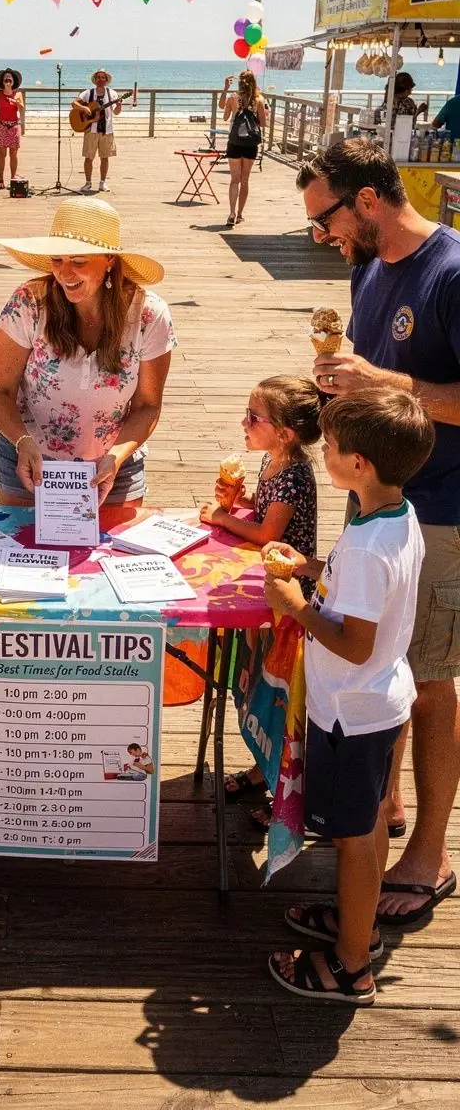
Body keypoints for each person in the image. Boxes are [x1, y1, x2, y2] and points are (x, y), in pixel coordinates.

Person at [298, 139, 460, 926]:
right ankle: (381, 800)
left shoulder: (451, 272)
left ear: (366, 201)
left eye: (324, 219)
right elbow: (375, 364)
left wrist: (383, 382)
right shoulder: (367, 267)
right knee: (382, 652)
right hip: (375, 497)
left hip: (445, 507)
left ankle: (429, 853)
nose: (322, 237)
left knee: (430, 677)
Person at [263, 389, 434, 1006]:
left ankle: (351, 963)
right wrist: (312, 569)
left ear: (358, 463)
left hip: (350, 713)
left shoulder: (365, 546)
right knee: (360, 829)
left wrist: (297, 607)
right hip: (376, 704)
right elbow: (361, 594)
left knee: (356, 838)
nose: (324, 454)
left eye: (332, 448)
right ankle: (352, 920)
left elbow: (356, 642)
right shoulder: (392, 515)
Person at [0, 197, 176, 507]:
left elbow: (147, 405)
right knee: (19, 551)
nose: (64, 273)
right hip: (29, 463)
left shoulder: (149, 314)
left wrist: (116, 456)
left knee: (112, 555)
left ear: (110, 261)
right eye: (57, 260)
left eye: (78, 261)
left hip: (114, 466)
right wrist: (23, 442)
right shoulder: (28, 302)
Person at [199, 375, 321, 817]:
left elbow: (269, 531)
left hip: (290, 602)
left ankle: (287, 787)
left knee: (280, 695)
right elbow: (267, 512)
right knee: (260, 687)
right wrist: (240, 498)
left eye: (254, 417)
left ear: (285, 433)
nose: (243, 423)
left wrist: (221, 517)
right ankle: (262, 769)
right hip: (269, 590)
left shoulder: (291, 476)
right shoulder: (274, 462)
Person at [221, 70, 266, 227]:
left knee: (235, 180)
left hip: (234, 143)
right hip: (250, 145)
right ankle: (240, 214)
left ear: (240, 82)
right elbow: (263, 124)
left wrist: (226, 89)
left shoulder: (233, 98)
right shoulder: (259, 99)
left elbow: (225, 116)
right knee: (245, 180)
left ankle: (231, 213)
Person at [74, 69, 122, 195]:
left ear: (106, 80)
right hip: (91, 130)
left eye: (103, 77)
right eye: (98, 77)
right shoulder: (87, 93)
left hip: (107, 130)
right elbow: (74, 104)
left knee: (105, 157)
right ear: (95, 80)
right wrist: (84, 108)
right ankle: (88, 183)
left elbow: (116, 112)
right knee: (88, 157)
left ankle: (102, 182)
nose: (101, 79)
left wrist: (119, 106)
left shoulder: (112, 94)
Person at [0, 68, 24, 189]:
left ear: (13, 81)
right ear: (2, 82)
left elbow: (22, 109)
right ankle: (1, 180)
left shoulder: (18, 94)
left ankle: (13, 177)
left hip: (14, 126)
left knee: (13, 153)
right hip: (1, 125)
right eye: (6, 79)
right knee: (2, 153)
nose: (8, 81)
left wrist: (17, 102)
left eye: (10, 79)